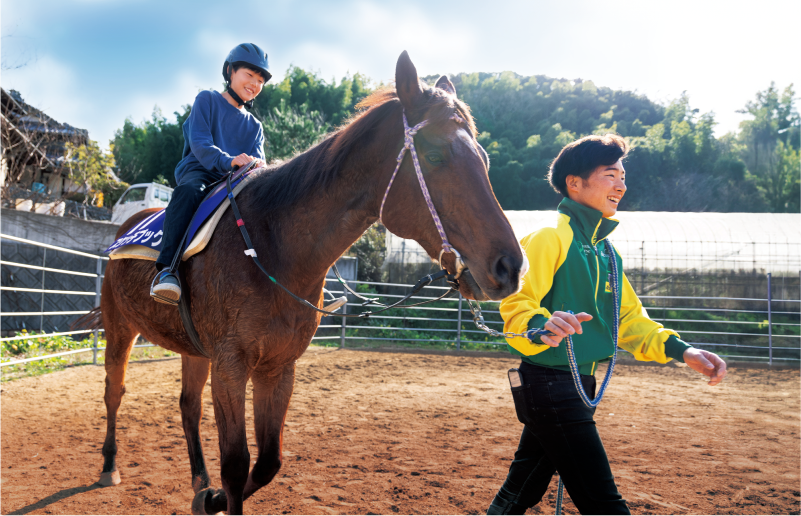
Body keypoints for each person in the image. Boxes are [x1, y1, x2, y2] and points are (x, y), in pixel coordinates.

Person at [486, 134, 727, 516]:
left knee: (522, 490)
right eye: (610, 174)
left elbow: (630, 320)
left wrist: (686, 351)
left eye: (623, 176)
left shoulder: (605, 251)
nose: (621, 185)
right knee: (604, 503)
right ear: (574, 183)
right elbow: (517, 300)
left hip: (579, 384)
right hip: (550, 384)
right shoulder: (551, 236)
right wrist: (542, 324)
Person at [151, 43, 271, 304]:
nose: (254, 84)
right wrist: (230, 161)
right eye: (249, 75)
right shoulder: (207, 99)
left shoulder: (255, 126)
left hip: (237, 180)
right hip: (202, 172)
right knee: (189, 192)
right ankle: (167, 271)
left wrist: (260, 169)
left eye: (260, 80)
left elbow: (260, 162)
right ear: (230, 72)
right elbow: (201, 145)